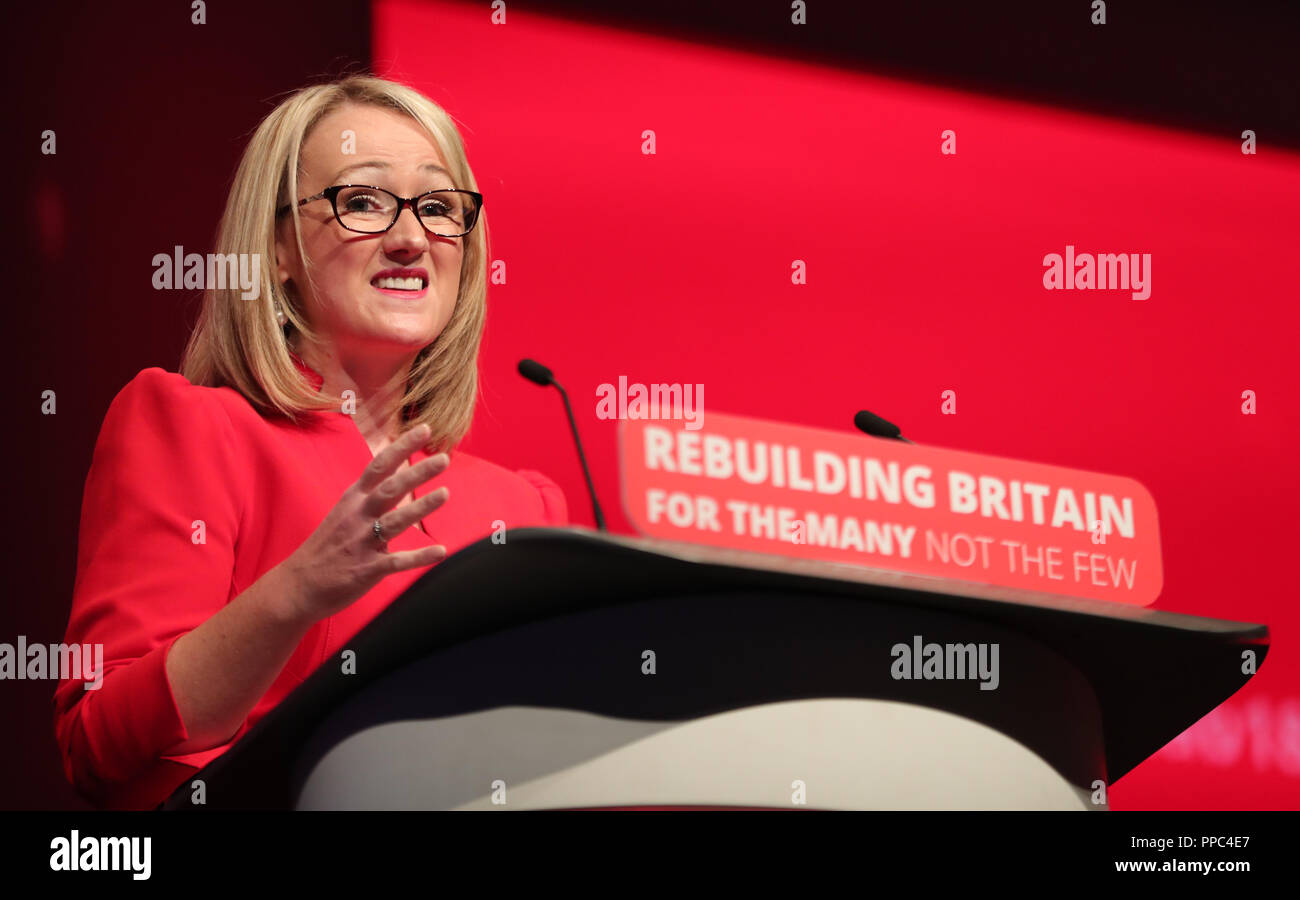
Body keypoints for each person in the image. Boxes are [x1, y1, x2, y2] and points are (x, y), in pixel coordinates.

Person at [53, 75, 567, 810]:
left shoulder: (521, 506)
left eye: (437, 207)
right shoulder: (192, 428)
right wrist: (297, 592)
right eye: (362, 202)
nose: (410, 237)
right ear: (279, 249)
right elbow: (96, 742)